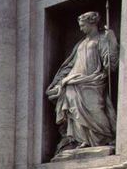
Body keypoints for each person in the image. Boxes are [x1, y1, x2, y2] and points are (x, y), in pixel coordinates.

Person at [46, 11, 119, 155]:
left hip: (92, 80)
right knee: (74, 111)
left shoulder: (102, 38)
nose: (80, 28)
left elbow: (110, 63)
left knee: (95, 109)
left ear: (92, 23)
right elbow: (71, 64)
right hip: (73, 81)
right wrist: (60, 82)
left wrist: (113, 41)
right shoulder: (81, 43)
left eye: (83, 25)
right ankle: (82, 140)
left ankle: (104, 136)